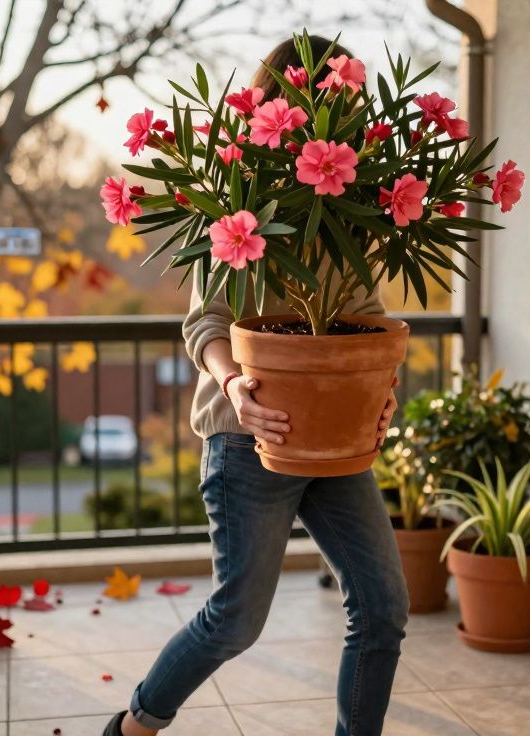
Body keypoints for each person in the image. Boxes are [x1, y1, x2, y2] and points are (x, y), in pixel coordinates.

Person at [104, 36, 409, 736]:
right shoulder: (237, 201)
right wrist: (237, 384)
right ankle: (135, 725)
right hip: (250, 436)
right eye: (323, 93)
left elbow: (363, 319)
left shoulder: (353, 205)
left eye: (345, 98)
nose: (336, 106)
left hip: (334, 440)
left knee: (384, 604)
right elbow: (206, 320)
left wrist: (381, 387)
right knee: (239, 617)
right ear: (284, 101)